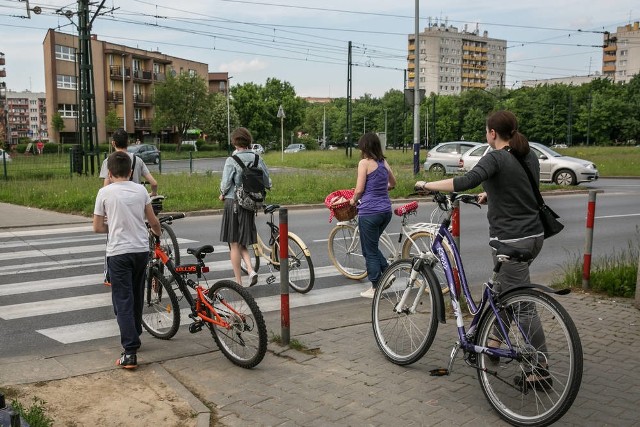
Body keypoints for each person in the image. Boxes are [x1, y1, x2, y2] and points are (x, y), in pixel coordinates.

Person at [416, 110, 549, 386]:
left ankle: (540, 367)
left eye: (486, 131)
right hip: (534, 236)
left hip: (511, 240)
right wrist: (491, 193)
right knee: (504, 290)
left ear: (492, 133)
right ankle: (494, 340)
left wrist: (427, 184)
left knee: (522, 306)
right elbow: (524, 186)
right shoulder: (528, 155)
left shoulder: (496, 157)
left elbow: (464, 181)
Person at [93, 151, 161, 369]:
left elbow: (97, 227)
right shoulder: (141, 190)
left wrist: (111, 227)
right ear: (131, 172)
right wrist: (157, 234)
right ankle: (135, 333)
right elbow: (152, 221)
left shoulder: (104, 193)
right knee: (136, 293)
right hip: (141, 251)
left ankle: (129, 352)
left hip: (118, 253)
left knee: (122, 300)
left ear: (110, 173)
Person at [219, 127, 271, 286]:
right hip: (250, 204)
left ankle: (238, 282)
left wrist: (221, 193)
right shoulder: (257, 158)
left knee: (234, 244)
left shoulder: (231, 160)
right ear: (248, 141)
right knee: (242, 242)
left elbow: (226, 183)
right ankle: (250, 269)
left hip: (233, 202)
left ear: (235, 142)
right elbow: (267, 181)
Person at [349, 133, 397, 298]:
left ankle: (376, 287)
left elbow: (360, 189)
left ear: (365, 147)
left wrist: (353, 200)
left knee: (369, 251)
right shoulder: (383, 162)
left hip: (369, 212)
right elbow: (393, 183)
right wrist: (381, 189)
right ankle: (388, 274)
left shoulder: (364, 163)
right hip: (385, 211)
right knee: (373, 247)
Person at [99, 129, 158, 196]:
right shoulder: (138, 160)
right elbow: (154, 183)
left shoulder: (108, 161)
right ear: (128, 142)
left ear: (113, 143)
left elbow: (106, 187)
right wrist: (153, 193)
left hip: (117, 200)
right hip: (136, 199)